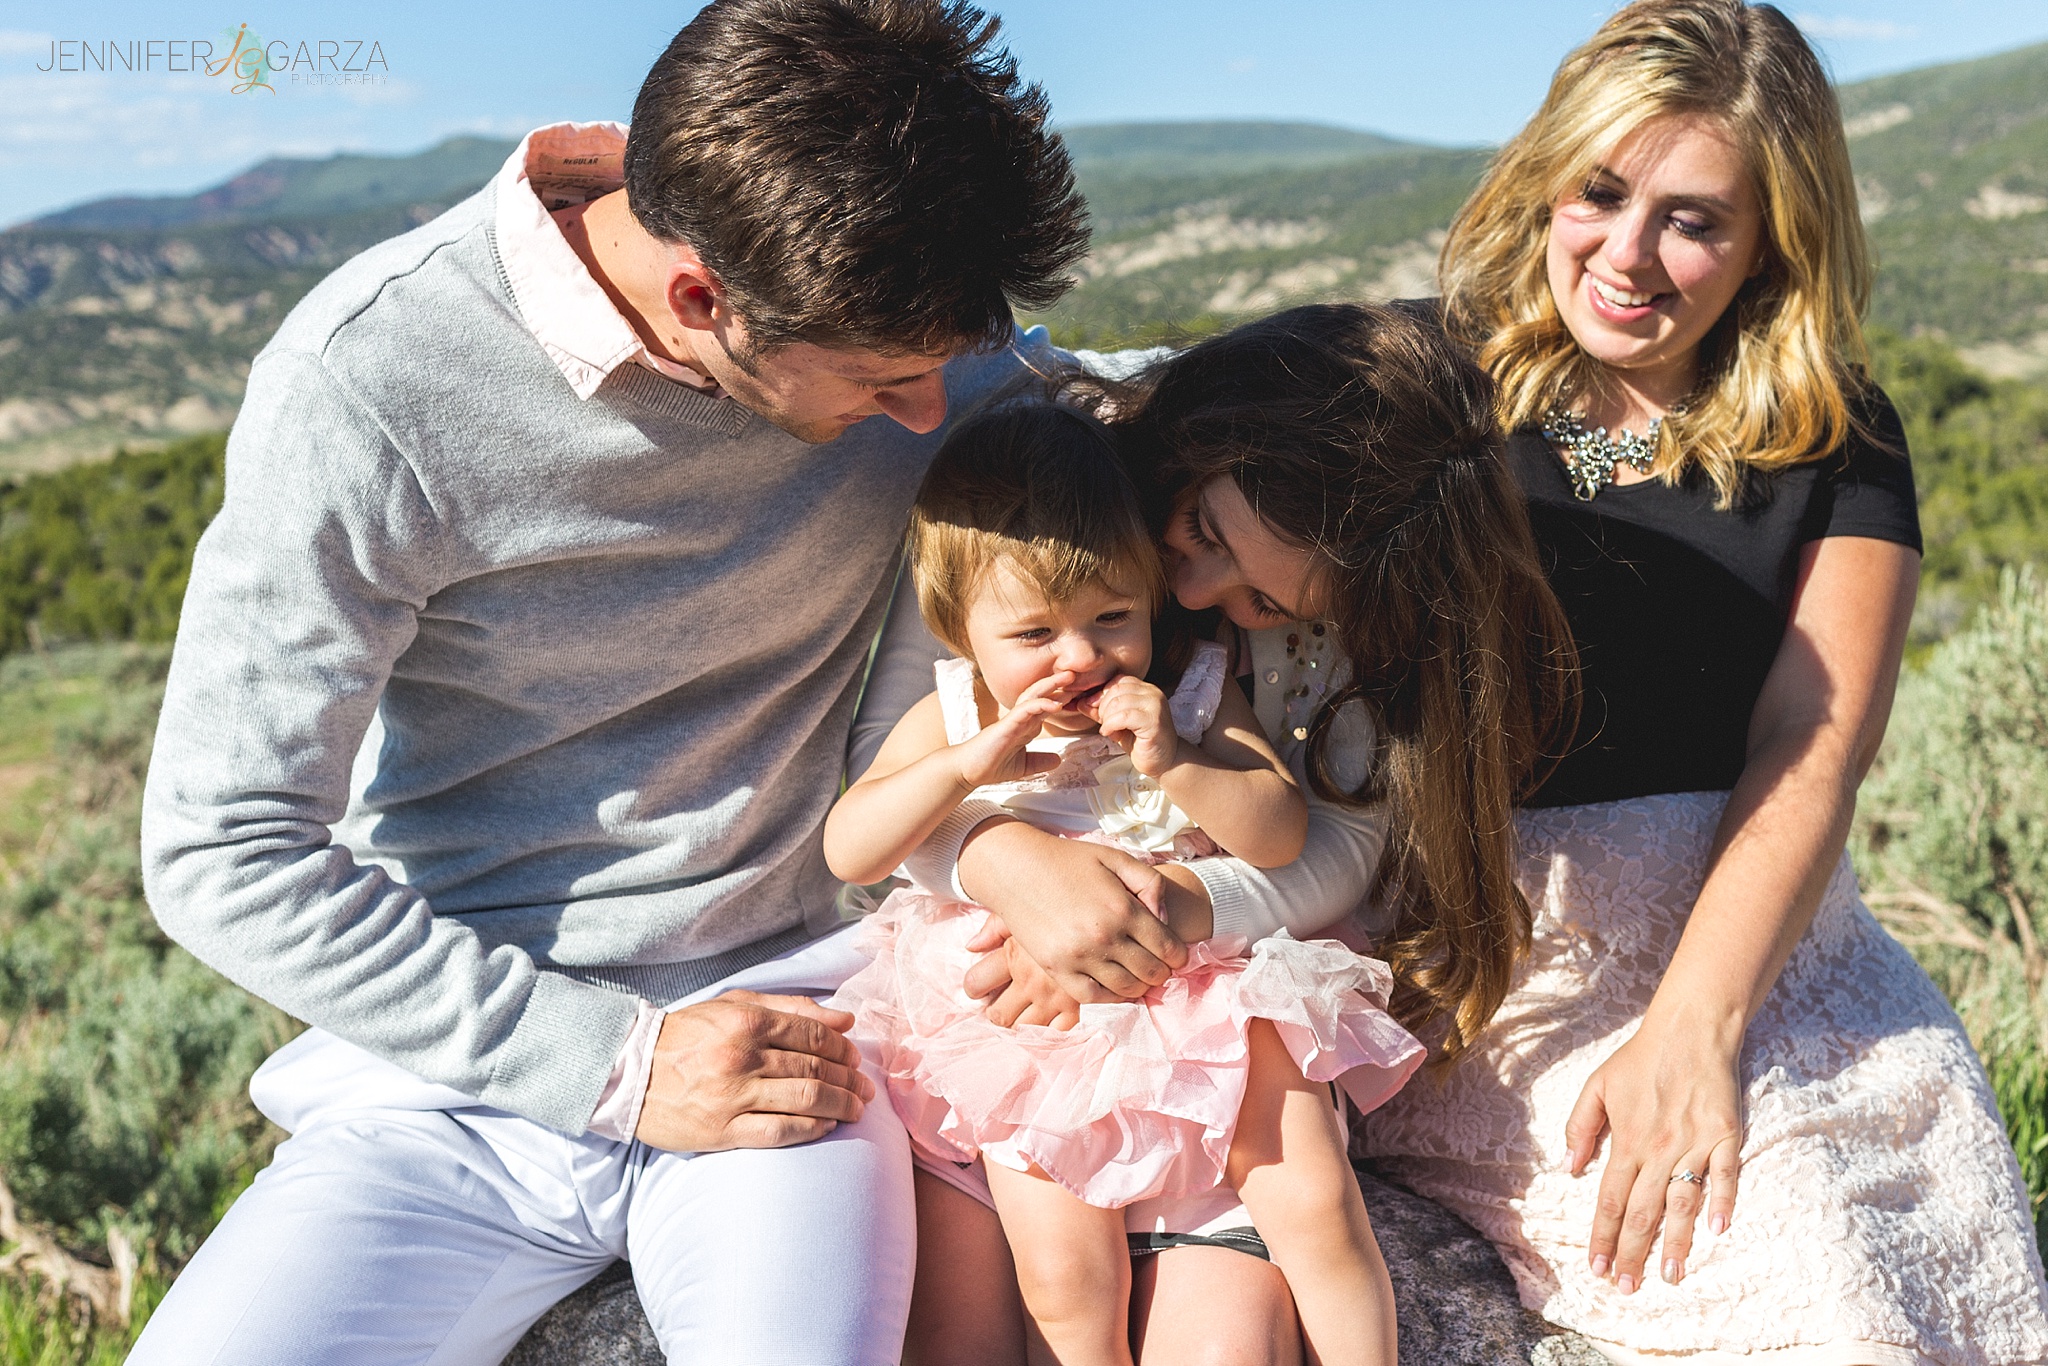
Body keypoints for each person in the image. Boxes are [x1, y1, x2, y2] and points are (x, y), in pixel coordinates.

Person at [129, 2, 1090, 1361]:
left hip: (798, 1033)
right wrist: (615, 1066)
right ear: (703, 299)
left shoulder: (908, 323)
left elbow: (1101, 408)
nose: (933, 413)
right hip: (455, 1079)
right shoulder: (374, 381)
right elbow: (222, 848)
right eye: (887, 381)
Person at [1355, 2, 2048, 1362]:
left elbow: (1816, 735)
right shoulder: (1411, 380)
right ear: (1545, 173)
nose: (1626, 254)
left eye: (1693, 220)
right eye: (1600, 192)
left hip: (1761, 954)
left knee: (1877, 1272)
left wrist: (1693, 1030)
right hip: (1502, 968)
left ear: (1772, 241)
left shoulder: (1835, 429)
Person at [881, 304, 1580, 1365]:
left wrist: (1171, 911)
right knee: (981, 1321)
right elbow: (896, 793)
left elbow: (1336, 842)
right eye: (1203, 535)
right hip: (999, 1002)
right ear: (1195, 446)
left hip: (1201, 1004)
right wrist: (1010, 866)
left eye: (1258, 595)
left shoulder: (1330, 617)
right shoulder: (1049, 510)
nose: (1196, 593)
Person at [828, 398, 1424, 1366]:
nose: (1079, 656)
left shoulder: (1188, 691)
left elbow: (1276, 834)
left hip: (1199, 979)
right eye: (1033, 633)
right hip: (1018, 1020)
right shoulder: (951, 711)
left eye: (1112, 618)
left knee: (1308, 1192)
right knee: (1065, 1277)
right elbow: (850, 847)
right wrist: (963, 768)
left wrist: (1179, 758)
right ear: (959, 631)